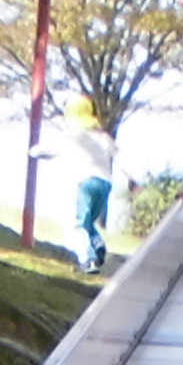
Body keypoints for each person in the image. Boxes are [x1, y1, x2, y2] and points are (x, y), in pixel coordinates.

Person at [68, 98, 119, 276]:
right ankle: (98, 245)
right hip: (105, 184)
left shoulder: (76, 136)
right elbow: (119, 156)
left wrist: (33, 151)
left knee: (79, 224)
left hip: (86, 182)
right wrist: (135, 183)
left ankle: (87, 260)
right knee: (89, 221)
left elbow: (51, 148)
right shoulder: (104, 138)